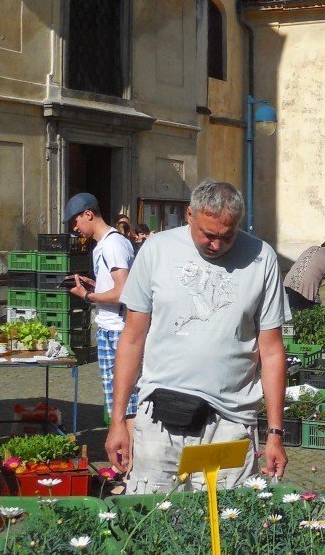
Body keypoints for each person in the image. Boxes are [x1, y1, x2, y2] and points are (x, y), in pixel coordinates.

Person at [108, 179, 289, 492]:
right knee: (153, 520)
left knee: (224, 523)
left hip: (230, 422)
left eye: (227, 236)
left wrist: (275, 432)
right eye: (208, 234)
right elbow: (133, 338)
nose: (216, 245)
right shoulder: (156, 250)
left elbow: (271, 351)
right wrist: (118, 421)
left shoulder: (262, 259)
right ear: (189, 215)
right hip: (160, 419)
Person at [64, 192, 137, 421]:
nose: (73, 229)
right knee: (115, 402)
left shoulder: (113, 244)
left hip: (119, 329)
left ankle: (131, 455)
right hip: (108, 328)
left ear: (88, 214)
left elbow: (124, 293)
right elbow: (115, 285)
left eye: (74, 222)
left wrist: (88, 296)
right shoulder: (101, 246)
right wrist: (95, 285)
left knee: (126, 404)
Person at [282, 239, 325, 313]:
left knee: (292, 312)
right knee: (313, 313)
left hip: (289, 282)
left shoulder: (312, 248)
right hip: (306, 289)